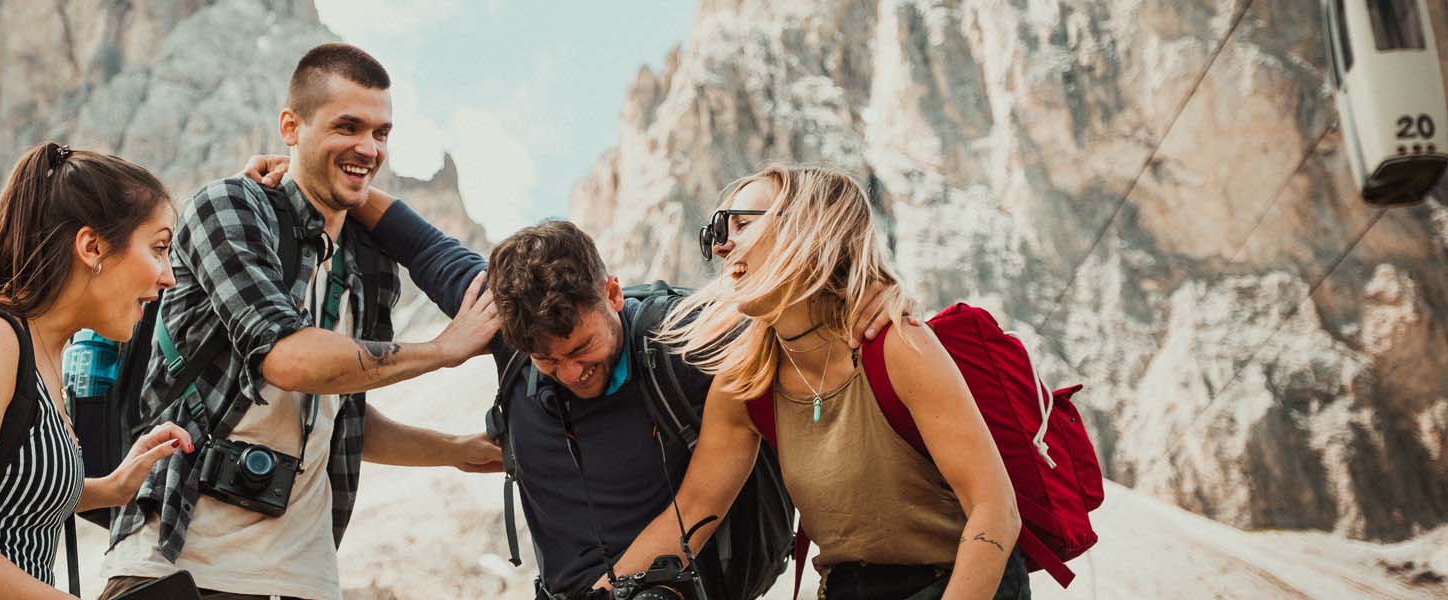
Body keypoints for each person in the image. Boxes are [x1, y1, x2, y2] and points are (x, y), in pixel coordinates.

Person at [239, 156, 907, 599]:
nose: (572, 372)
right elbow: (419, 243)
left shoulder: (683, 338)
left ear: (612, 293)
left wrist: (873, 296)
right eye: (547, 361)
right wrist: (315, 178)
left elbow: (799, 317)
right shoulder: (506, 328)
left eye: (582, 347)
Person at [98, 43, 503, 600]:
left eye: (381, 133)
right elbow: (287, 358)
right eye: (348, 126)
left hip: (304, 579)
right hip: (179, 565)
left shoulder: (370, 263)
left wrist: (452, 449)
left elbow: (342, 412)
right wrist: (442, 350)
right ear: (291, 126)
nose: (369, 148)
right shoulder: (230, 208)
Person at [609, 164, 1029, 599]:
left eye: (742, 224)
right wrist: (598, 593)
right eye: (717, 230)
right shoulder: (746, 383)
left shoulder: (895, 346)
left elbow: (995, 510)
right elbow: (692, 512)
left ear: (807, 229)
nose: (722, 247)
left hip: (962, 580)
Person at [0, 142, 195, 599]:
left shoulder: (42, 351)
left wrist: (111, 488)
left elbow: (5, 489)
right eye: (158, 248)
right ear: (92, 247)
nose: (168, 276)